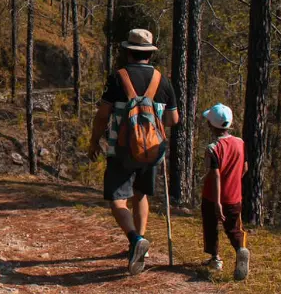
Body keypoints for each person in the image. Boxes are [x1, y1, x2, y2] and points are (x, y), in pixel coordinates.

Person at [88, 29, 179, 275]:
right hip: (151, 150)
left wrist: (94, 141)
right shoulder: (162, 80)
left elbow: (102, 116)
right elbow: (173, 119)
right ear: (149, 54)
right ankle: (142, 243)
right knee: (141, 195)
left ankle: (135, 240)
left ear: (128, 52)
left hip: (121, 150)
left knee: (118, 200)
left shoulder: (118, 78)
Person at [200, 103, 250, 281]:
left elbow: (215, 176)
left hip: (212, 197)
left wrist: (218, 202)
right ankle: (240, 250)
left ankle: (215, 259)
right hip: (234, 196)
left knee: (211, 227)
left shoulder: (212, 148)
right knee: (234, 228)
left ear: (211, 125)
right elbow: (244, 168)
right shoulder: (240, 143)